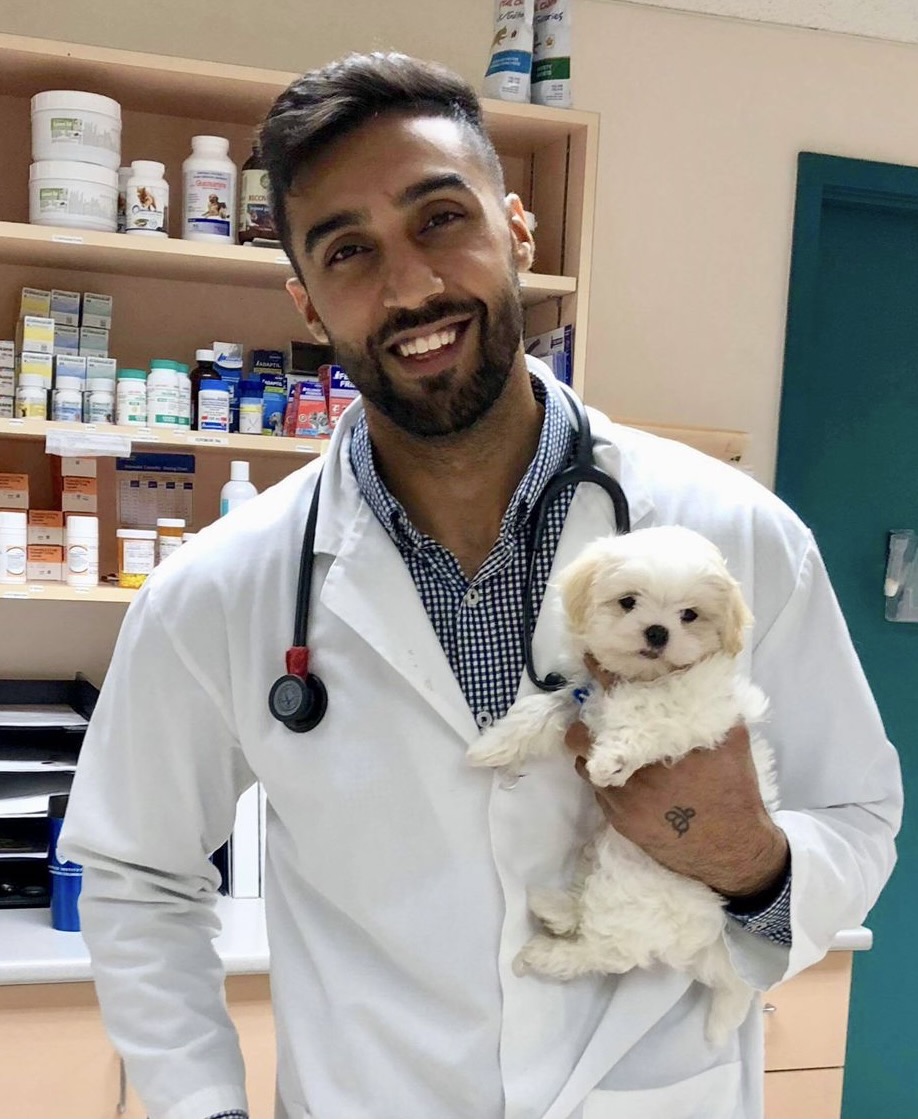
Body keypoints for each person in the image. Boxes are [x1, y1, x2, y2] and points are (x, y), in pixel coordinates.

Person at [61, 52, 902, 1119]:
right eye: (349, 250)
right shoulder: (218, 590)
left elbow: (858, 816)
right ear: (307, 303)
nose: (410, 285)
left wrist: (752, 861)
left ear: (517, 231)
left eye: (441, 219)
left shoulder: (731, 535)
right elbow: (135, 874)